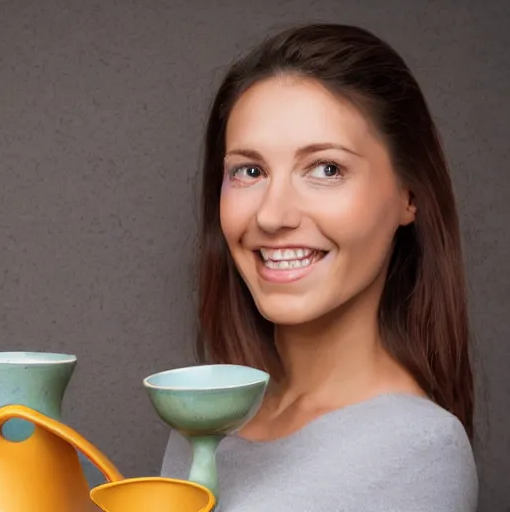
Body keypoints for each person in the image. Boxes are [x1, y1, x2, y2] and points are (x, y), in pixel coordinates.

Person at [161, 23, 478, 511]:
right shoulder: (204, 424)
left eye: (326, 169)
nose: (272, 215)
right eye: (250, 171)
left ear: (408, 196)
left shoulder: (418, 450)